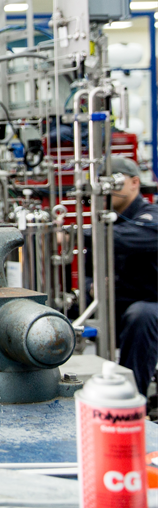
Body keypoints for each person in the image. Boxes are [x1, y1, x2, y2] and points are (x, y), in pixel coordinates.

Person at [102, 156, 158, 399]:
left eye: (113, 181)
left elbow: (119, 239)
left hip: (151, 303)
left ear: (135, 182)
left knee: (141, 316)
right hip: (120, 302)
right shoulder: (106, 221)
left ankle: (132, 401)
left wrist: (77, 233)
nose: (106, 189)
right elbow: (88, 274)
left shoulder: (152, 215)